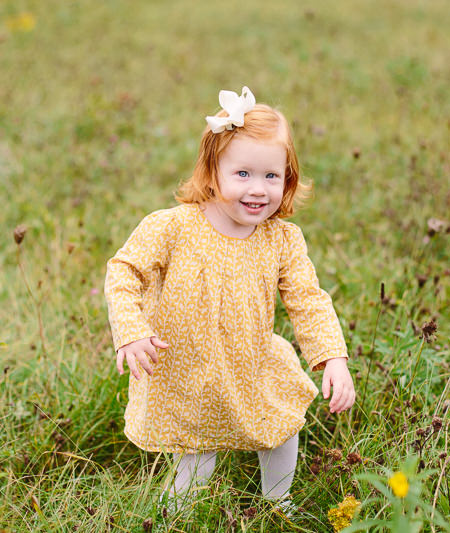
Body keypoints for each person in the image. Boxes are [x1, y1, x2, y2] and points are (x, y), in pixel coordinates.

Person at [104, 86, 355, 516]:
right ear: (211, 172)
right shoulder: (173, 227)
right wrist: (131, 331)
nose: (258, 189)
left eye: (271, 177)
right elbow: (124, 270)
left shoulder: (281, 239)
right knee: (195, 456)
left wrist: (332, 357)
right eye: (243, 174)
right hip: (188, 367)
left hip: (252, 361)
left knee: (280, 428)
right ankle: (177, 516)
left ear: (288, 179)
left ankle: (278, 501)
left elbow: (308, 299)